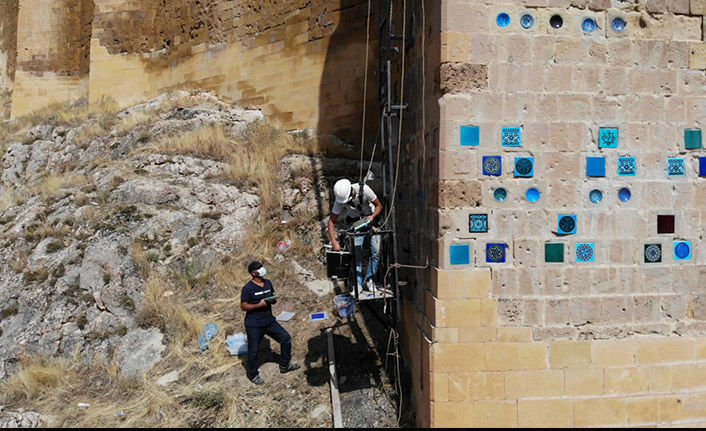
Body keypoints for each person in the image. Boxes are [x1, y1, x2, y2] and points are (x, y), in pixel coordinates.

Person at [240, 261, 300, 385]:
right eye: (258, 268)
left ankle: (285, 365)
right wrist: (258, 305)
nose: (262, 269)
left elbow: (272, 298)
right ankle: (253, 374)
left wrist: (272, 300)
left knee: (285, 338)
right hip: (254, 324)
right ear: (253, 273)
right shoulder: (248, 288)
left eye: (261, 267)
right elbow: (243, 306)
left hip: (269, 321)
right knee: (253, 351)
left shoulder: (267, 283)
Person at [327, 178, 388, 296]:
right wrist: (334, 242)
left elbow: (379, 205)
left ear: (351, 191)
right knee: (356, 255)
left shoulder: (365, 189)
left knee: (375, 252)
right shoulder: (340, 199)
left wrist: (372, 217)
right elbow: (331, 222)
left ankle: (369, 280)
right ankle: (358, 283)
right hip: (355, 223)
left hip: (371, 220)